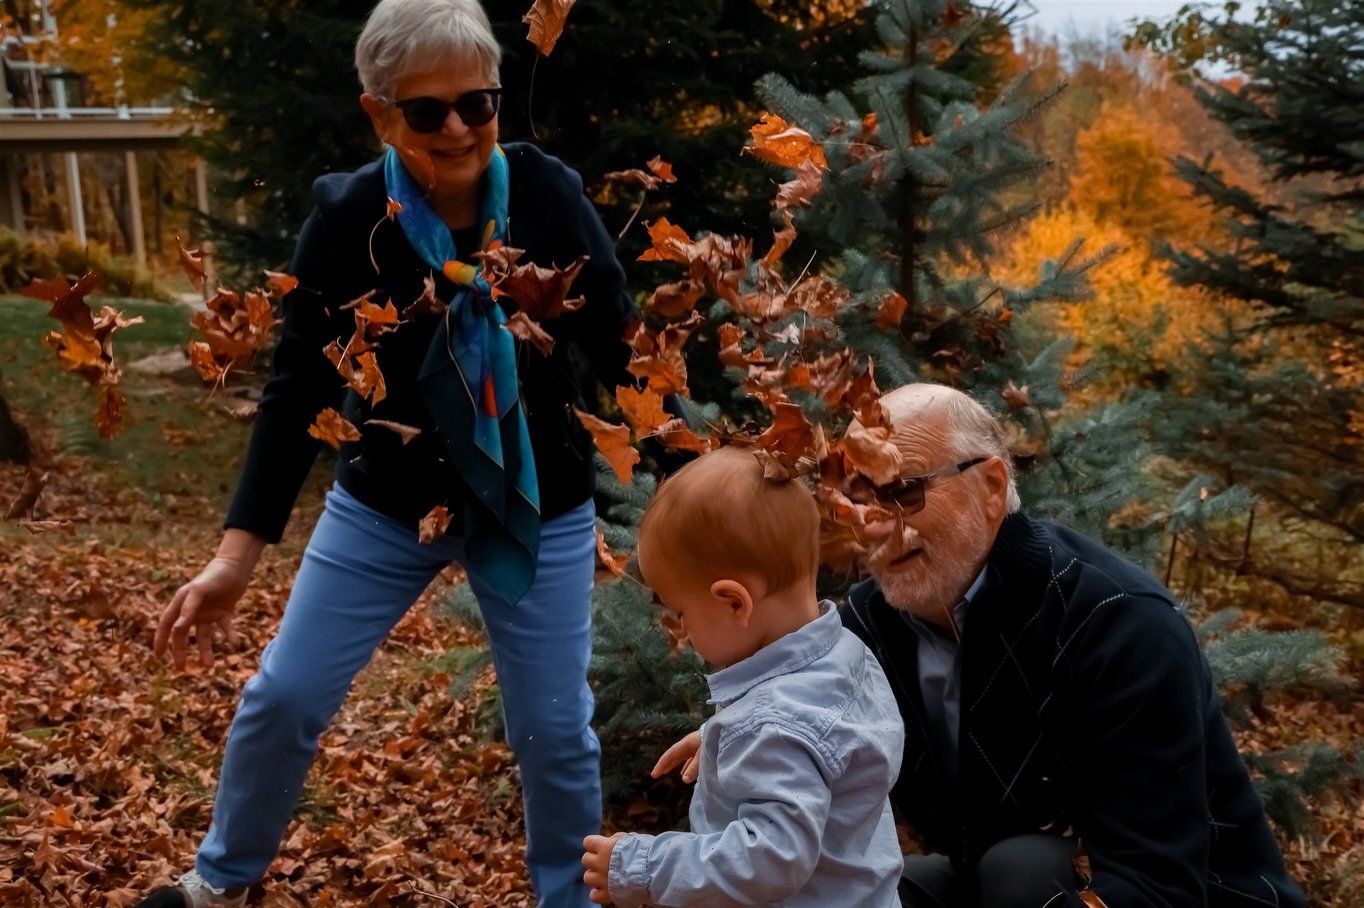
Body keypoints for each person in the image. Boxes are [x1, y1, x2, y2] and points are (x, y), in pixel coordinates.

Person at [135, 1, 636, 905]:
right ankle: (221, 881)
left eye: (477, 104)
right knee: (284, 697)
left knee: (556, 733)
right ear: (378, 113)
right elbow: (296, 392)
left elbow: (627, 354)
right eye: (427, 110)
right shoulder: (349, 219)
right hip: (384, 505)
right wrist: (234, 560)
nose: (459, 129)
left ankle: (570, 899)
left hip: (536, 501)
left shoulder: (549, 195)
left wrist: (698, 481)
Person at [836, 382, 1305, 908]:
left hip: (1182, 894)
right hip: (997, 879)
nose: (874, 523)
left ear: (991, 486)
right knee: (877, 892)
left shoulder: (1119, 621)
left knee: (1023, 871)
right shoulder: (867, 630)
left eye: (904, 492)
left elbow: (1157, 884)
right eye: (858, 499)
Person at [581, 445, 906, 908]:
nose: (681, 631)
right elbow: (829, 751)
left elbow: (771, 858)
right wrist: (720, 736)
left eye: (681, 613)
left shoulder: (772, 726)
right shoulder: (844, 655)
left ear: (735, 602)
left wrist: (643, 866)